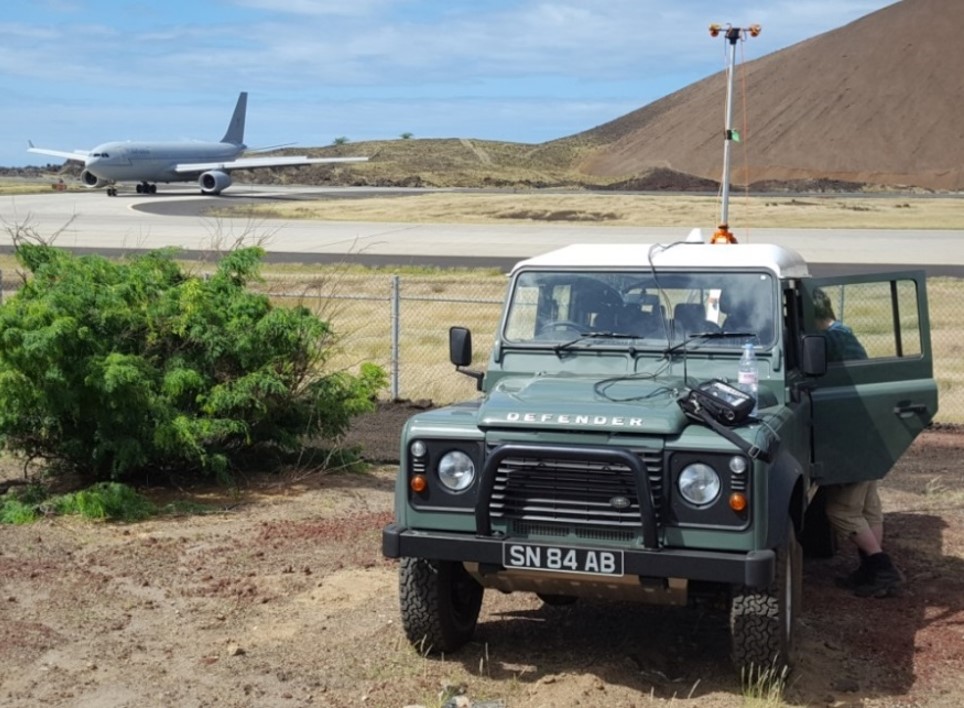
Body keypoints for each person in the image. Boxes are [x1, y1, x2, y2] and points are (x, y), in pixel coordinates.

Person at [812, 288, 902, 598]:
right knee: (867, 507)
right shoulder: (843, 332)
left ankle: (881, 568)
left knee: (841, 510)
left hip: (852, 436)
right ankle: (869, 570)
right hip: (869, 432)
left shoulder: (827, 340)